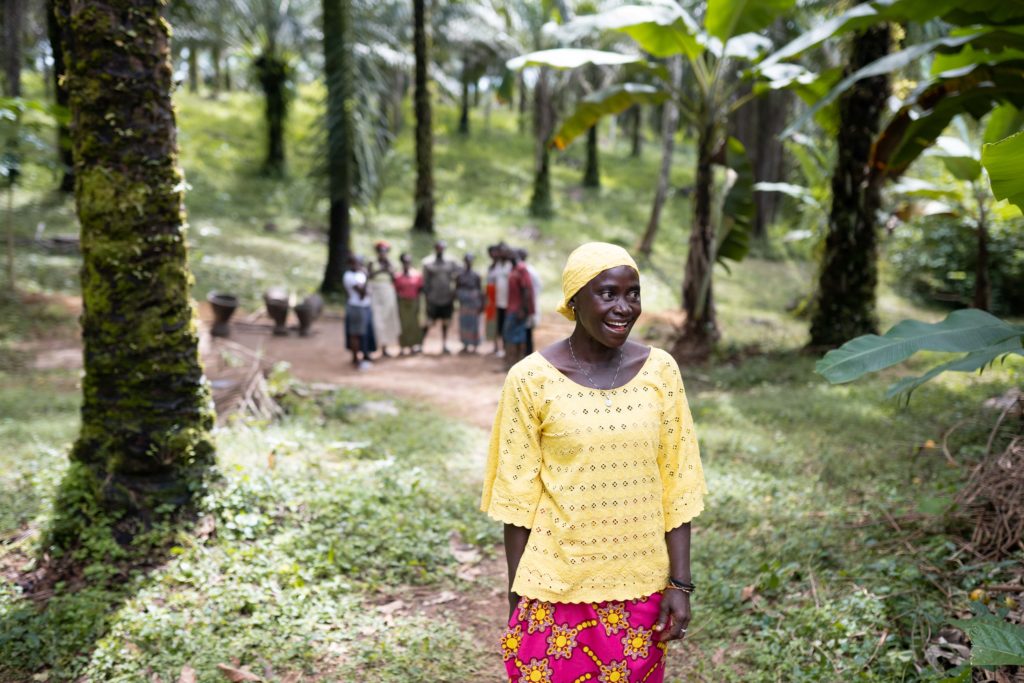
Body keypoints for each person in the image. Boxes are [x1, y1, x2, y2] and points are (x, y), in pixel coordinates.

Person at [481, 242, 707, 683]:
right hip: (555, 583)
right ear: (574, 299)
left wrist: (679, 585)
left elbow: (678, 485)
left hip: (640, 582)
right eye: (608, 294)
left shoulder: (661, 371)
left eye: (633, 294)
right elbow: (517, 499)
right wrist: (517, 596)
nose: (623, 307)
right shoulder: (530, 379)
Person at [421, 240, 459, 354]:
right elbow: (425, 281)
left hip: (446, 297)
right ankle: (421, 344)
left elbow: (457, 276)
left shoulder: (451, 262)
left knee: (446, 322)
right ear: (435, 248)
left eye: (442, 247)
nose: (440, 249)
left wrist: (454, 292)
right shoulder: (427, 262)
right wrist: (427, 296)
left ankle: (444, 344)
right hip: (433, 297)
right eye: (438, 247)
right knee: (428, 322)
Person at [367, 241, 401, 358]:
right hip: (375, 291)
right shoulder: (372, 262)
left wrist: (388, 268)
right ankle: (373, 347)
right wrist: (381, 270)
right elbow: (369, 275)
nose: (383, 253)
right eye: (381, 251)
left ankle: (385, 347)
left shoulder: (391, 263)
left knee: (387, 320)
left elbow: (394, 277)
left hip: (387, 291)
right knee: (376, 320)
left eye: (385, 251)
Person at [502, 249, 534, 371]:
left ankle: (518, 364)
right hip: (511, 308)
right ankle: (511, 363)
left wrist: (523, 309)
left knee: (518, 337)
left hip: (518, 309)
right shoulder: (513, 269)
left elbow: (526, 289)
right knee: (510, 336)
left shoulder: (521, 269)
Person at [342, 255, 374, 369]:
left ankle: (365, 354)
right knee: (355, 334)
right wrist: (367, 277)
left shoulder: (360, 274)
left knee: (364, 333)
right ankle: (355, 358)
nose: (359, 265)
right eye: (356, 263)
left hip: (365, 306)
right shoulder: (349, 276)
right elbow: (361, 294)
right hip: (356, 307)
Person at [394, 252, 424, 355]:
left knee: (413, 324)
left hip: (414, 301)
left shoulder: (416, 274)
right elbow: (396, 290)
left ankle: (413, 346)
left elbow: (420, 289)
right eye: (405, 261)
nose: (407, 263)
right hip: (402, 303)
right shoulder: (398, 276)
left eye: (408, 261)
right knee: (403, 324)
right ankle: (402, 347)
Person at [455, 253, 484, 354]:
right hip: (464, 303)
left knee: (474, 324)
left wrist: (481, 304)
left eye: (470, 261)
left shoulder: (476, 275)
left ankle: (475, 345)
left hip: (474, 303)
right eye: (467, 260)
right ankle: (465, 345)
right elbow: (457, 288)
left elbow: (480, 290)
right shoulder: (460, 275)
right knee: (464, 324)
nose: (468, 263)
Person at [518, 248, 542, 356]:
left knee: (527, 330)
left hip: (529, 304)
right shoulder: (528, 269)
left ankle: (528, 354)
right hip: (530, 303)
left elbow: (531, 289)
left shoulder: (526, 270)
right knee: (527, 330)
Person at [491, 243, 513, 357]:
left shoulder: (510, 265)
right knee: (498, 327)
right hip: (498, 302)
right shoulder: (497, 265)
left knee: (507, 327)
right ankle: (498, 348)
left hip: (508, 303)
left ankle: (506, 350)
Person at [484, 245, 502, 354]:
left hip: (499, 297)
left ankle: (501, 347)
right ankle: (495, 346)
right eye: (491, 253)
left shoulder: (502, 266)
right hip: (490, 298)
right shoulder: (490, 267)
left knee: (500, 321)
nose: (493, 255)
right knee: (492, 322)